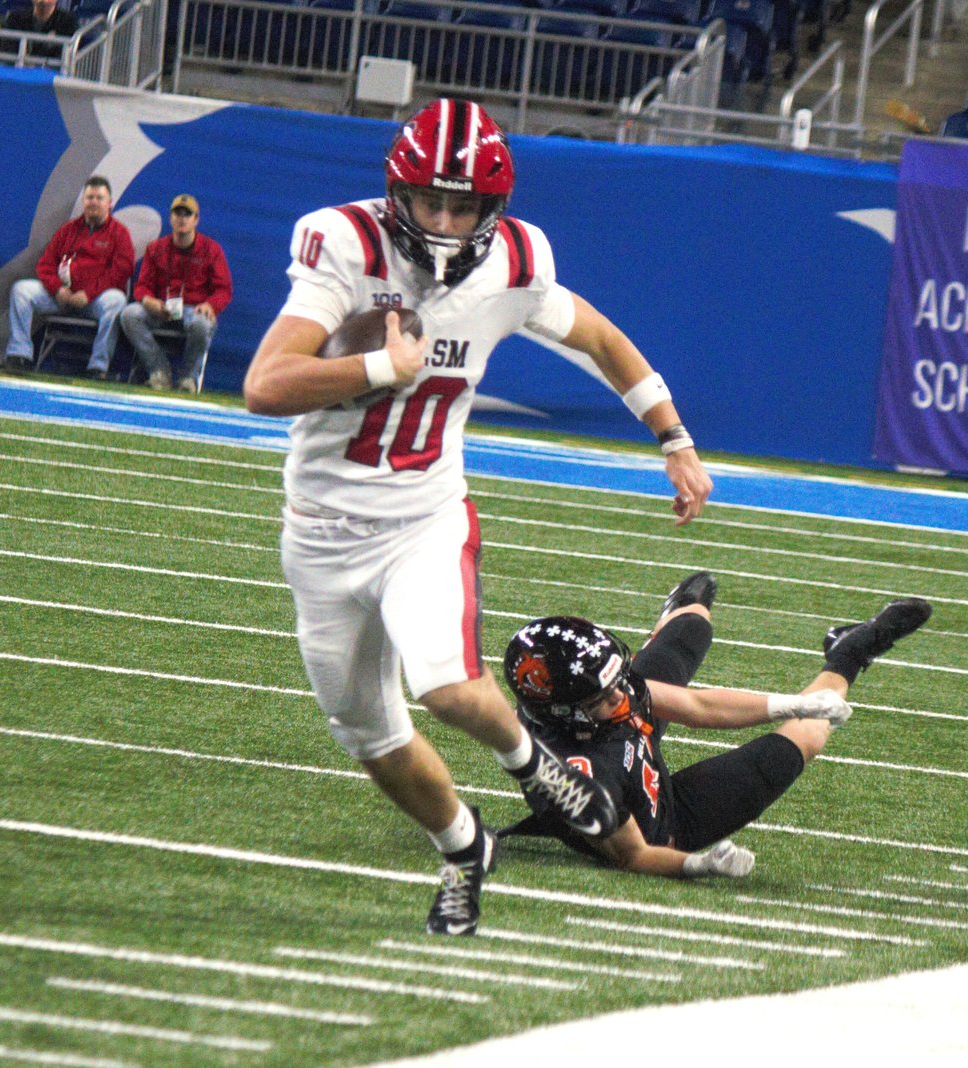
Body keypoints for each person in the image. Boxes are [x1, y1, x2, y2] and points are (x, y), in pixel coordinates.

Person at [242, 98, 713, 936]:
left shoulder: (519, 260)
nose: (448, 221)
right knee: (372, 739)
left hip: (425, 519)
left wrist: (671, 435)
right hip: (318, 530)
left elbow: (599, 338)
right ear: (399, 193)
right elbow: (264, 386)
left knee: (448, 687)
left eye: (466, 205)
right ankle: (465, 849)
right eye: (432, 202)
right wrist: (377, 365)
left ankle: (535, 767)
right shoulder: (345, 242)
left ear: (494, 208)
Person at [499, 573, 933, 878]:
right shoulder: (572, 775)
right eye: (600, 696)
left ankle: (676, 612)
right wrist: (698, 864)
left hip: (623, 745)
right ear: (559, 711)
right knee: (806, 735)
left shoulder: (601, 694)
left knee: (692, 622)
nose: (619, 695)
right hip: (666, 827)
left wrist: (793, 702)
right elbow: (634, 856)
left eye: (615, 681)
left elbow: (696, 706)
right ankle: (849, 653)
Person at [3, 176, 133, 377]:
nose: (94, 202)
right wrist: (58, 289)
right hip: (61, 297)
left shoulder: (119, 234)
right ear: (83, 201)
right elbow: (45, 265)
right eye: (90, 197)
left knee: (117, 301)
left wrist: (88, 294)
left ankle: (98, 367)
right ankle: (19, 354)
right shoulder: (68, 230)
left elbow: (120, 272)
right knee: (21, 290)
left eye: (100, 198)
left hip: (94, 300)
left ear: (110, 203)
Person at [117, 194, 233, 392]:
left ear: (196, 220)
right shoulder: (156, 248)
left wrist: (210, 305)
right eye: (177, 213)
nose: (182, 218)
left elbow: (224, 289)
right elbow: (141, 286)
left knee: (201, 324)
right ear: (170, 218)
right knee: (130, 315)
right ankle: (159, 370)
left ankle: (187, 378)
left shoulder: (211, 250)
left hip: (193, 309)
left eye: (187, 214)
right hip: (162, 307)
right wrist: (148, 301)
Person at [1, 0, 77, 60]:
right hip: (18, 68)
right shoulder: (15, 18)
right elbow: (8, 48)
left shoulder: (68, 22)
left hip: (49, 72)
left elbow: (62, 55)